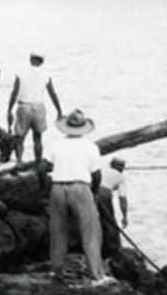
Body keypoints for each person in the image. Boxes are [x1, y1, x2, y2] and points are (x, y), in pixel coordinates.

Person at [45, 109, 112, 285]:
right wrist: (94, 192)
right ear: (84, 128)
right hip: (80, 188)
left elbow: (41, 168)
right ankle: (97, 275)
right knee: (90, 232)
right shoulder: (90, 146)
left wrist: (44, 190)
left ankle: (56, 271)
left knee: (58, 232)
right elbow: (96, 175)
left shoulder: (56, 145)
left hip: (57, 187)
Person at [7, 52, 62, 165]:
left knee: (20, 138)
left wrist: (9, 109)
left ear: (31, 59)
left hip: (24, 107)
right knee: (38, 138)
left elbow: (14, 92)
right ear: (42, 61)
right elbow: (52, 93)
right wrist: (59, 110)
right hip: (39, 108)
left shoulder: (21, 71)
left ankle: (19, 162)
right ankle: (38, 162)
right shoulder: (46, 74)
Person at [97, 157, 128, 258]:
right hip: (104, 195)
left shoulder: (102, 170)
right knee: (110, 223)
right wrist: (124, 217)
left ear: (110, 165)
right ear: (122, 168)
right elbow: (122, 199)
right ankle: (112, 250)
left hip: (91, 191)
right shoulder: (121, 177)